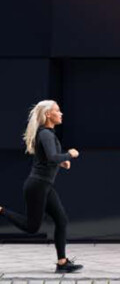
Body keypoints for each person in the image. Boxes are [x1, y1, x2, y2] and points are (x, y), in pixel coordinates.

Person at [0, 100, 83, 273]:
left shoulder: (47, 134)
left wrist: (62, 163)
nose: (61, 114)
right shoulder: (45, 134)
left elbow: (48, 158)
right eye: (57, 111)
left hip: (44, 185)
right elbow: (52, 157)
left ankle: (62, 263)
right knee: (32, 227)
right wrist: (69, 154)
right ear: (48, 115)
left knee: (61, 220)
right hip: (37, 185)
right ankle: (1, 210)